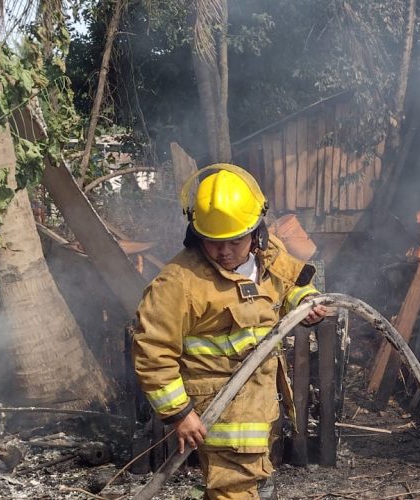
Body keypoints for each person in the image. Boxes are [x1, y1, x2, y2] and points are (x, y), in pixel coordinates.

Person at [132, 164, 326, 499]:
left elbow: (287, 287)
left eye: (235, 241)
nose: (224, 252)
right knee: (233, 492)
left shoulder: (268, 254)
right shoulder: (178, 282)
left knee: (257, 485)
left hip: (261, 408)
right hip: (221, 418)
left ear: (256, 232)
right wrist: (180, 414)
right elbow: (152, 352)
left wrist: (306, 303)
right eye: (213, 242)